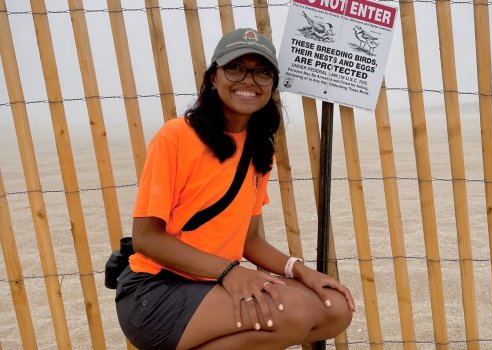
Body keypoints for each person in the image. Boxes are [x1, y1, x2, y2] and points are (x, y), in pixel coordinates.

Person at [115, 28, 355, 350]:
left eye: (261, 72)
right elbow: (146, 238)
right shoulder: (176, 137)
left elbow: (248, 239)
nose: (248, 80)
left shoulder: (259, 150)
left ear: (272, 84)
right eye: (235, 68)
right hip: (156, 289)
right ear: (214, 78)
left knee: (335, 309)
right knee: (292, 313)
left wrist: (299, 271)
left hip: (214, 284)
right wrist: (229, 272)